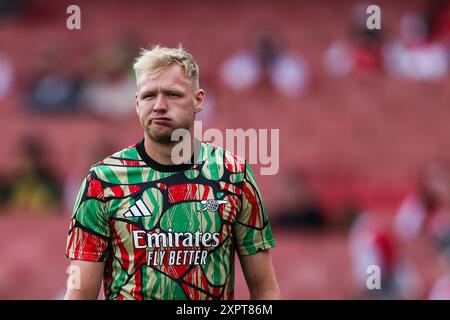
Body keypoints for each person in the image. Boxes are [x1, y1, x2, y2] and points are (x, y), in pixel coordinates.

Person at [64, 45, 280, 300]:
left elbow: (265, 290)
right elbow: (80, 294)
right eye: (148, 96)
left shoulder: (234, 175)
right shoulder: (103, 181)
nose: (159, 105)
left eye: (172, 94)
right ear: (136, 103)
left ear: (198, 100)